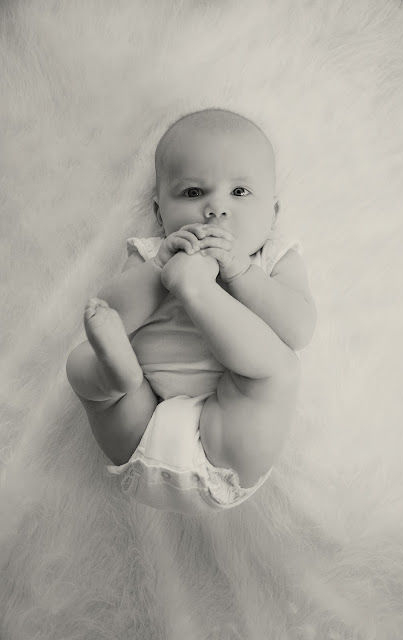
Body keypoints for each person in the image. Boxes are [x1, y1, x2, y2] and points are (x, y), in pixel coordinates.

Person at [66, 108, 317, 515]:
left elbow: (299, 329)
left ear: (273, 213)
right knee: (81, 363)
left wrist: (240, 273)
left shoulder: (271, 260)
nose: (216, 209)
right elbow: (110, 311)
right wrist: (159, 268)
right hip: (140, 424)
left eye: (239, 192)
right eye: (193, 193)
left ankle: (195, 293)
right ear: (159, 213)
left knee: (279, 370)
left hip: (229, 446)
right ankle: (118, 377)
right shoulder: (151, 255)